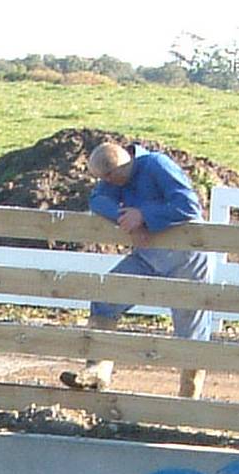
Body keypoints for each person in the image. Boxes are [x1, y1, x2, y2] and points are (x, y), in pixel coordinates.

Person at [62, 140, 215, 396]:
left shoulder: (156, 165)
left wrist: (143, 215)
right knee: (106, 297)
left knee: (191, 329)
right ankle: (97, 372)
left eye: (109, 177)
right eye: (103, 178)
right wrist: (126, 218)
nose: (107, 183)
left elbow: (188, 206)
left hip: (186, 257)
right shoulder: (113, 179)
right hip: (149, 254)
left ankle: (190, 400)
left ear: (121, 165)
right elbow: (98, 200)